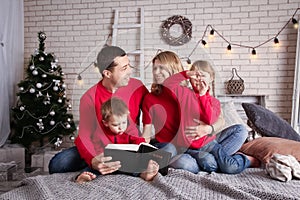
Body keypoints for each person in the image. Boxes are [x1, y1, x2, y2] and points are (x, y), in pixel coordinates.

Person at [48, 46, 149, 175]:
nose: (130, 71)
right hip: (100, 148)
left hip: (129, 145)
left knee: (164, 152)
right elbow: (84, 136)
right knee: (57, 164)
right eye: (124, 68)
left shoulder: (137, 86)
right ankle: (93, 167)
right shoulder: (89, 97)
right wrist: (93, 159)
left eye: (129, 66)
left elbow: (152, 107)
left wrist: (146, 131)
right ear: (107, 73)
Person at [163, 60, 259, 174]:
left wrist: (203, 96)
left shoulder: (214, 102)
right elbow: (167, 84)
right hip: (186, 146)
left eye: (203, 75)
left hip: (208, 143)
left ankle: (245, 159)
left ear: (211, 78)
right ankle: (218, 161)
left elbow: (210, 120)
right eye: (195, 76)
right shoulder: (184, 94)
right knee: (209, 162)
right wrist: (186, 73)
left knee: (230, 167)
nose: (198, 79)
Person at [141, 51, 225, 173]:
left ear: (173, 69)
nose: (156, 72)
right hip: (169, 146)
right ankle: (192, 161)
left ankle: (203, 158)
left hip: (192, 144)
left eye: (161, 68)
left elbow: (219, 119)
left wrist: (208, 129)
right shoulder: (150, 98)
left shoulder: (186, 93)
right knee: (186, 163)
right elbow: (146, 133)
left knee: (210, 161)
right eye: (155, 68)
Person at [76, 97, 159, 183]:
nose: (121, 128)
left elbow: (138, 140)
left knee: (134, 166)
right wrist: (100, 158)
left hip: (125, 161)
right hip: (108, 162)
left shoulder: (130, 128)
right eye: (115, 125)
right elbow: (96, 149)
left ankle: (144, 174)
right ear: (106, 123)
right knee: (92, 168)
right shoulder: (100, 132)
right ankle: (84, 177)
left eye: (124, 122)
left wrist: (142, 146)